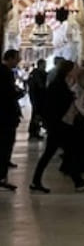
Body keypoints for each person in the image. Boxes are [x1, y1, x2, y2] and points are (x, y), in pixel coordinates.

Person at [31, 60, 84, 193]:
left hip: (61, 125)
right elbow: (54, 105)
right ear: (68, 71)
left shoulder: (63, 83)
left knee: (68, 152)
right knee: (55, 153)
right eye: (75, 68)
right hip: (58, 126)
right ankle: (36, 181)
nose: (77, 70)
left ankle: (77, 181)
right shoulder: (58, 85)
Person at [0, 49, 23, 191]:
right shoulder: (5, 73)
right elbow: (7, 95)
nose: (18, 61)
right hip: (5, 116)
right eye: (16, 58)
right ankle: (1, 176)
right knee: (5, 145)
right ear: (9, 58)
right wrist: (18, 93)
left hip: (5, 115)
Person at [26, 59, 46, 141]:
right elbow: (40, 86)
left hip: (36, 98)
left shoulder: (34, 73)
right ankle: (33, 132)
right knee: (36, 115)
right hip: (37, 98)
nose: (44, 66)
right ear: (40, 65)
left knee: (36, 115)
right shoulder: (37, 74)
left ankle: (35, 132)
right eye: (44, 65)